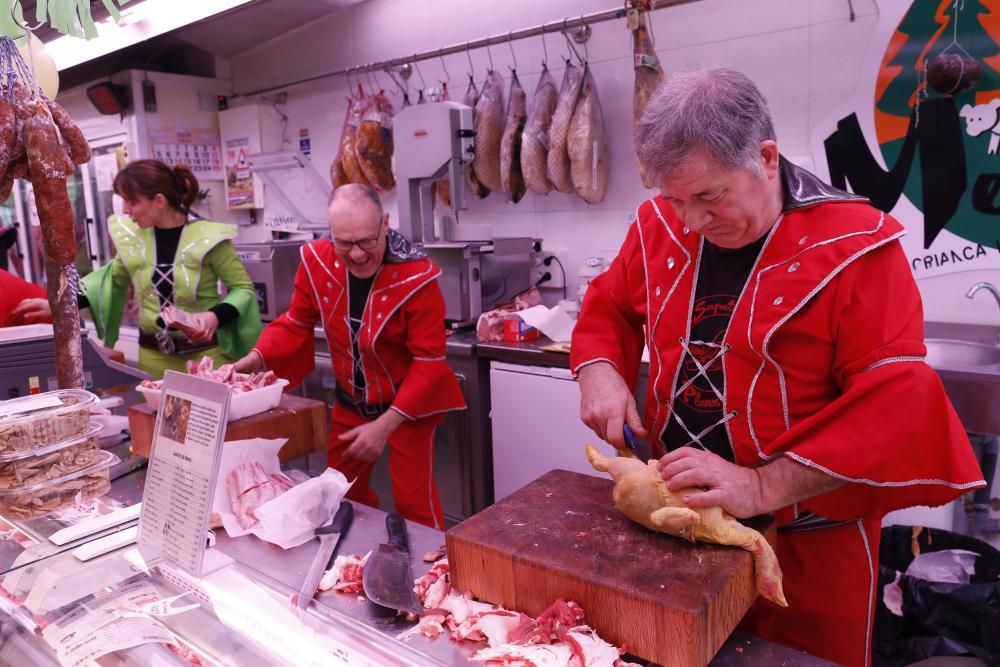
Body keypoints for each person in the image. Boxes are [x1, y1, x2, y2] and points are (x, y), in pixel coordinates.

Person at [570, 66, 985, 666]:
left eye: (710, 197)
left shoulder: (857, 245)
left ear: (766, 158)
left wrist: (760, 485)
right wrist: (600, 369)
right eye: (675, 199)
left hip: (810, 551)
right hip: (677, 527)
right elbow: (608, 303)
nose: (690, 221)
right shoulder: (659, 226)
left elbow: (894, 402)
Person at [231, 184, 465, 529]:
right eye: (344, 243)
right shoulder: (316, 261)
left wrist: (385, 425)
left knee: (414, 506)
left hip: (407, 410)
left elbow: (429, 362)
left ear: (384, 224)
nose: (356, 254)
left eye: (366, 241)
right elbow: (296, 322)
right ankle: (349, 566)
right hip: (349, 405)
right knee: (338, 496)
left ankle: (429, 574)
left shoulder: (418, 276)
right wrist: (257, 356)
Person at [14, 160, 262, 380]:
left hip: (207, 357)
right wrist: (62, 304)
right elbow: (112, 280)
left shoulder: (210, 237)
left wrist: (215, 316)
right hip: (153, 358)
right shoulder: (132, 239)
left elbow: (243, 289)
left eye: (131, 201)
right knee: (156, 428)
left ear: (159, 201)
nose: (124, 210)